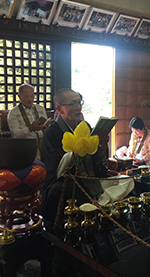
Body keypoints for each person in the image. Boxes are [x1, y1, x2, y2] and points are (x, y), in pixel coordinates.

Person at [40, 89, 133, 222]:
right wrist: (80, 150)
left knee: (127, 180)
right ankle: (98, 209)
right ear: (60, 109)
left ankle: (97, 205)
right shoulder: (52, 132)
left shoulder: (85, 126)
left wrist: (101, 147)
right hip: (67, 182)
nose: (78, 107)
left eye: (79, 102)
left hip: (90, 179)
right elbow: (56, 168)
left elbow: (97, 164)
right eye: (73, 104)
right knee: (69, 189)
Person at [7, 84, 48, 159]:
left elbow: (46, 125)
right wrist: (30, 129)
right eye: (26, 97)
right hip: (25, 146)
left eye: (32, 96)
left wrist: (45, 127)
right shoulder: (13, 112)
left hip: (44, 143)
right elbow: (15, 133)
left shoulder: (40, 109)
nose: (30, 99)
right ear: (19, 97)